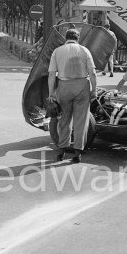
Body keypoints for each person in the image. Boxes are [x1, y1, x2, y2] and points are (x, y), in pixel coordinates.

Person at [48, 28, 97, 162]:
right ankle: (77, 154)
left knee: (64, 120)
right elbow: (92, 73)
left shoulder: (57, 51)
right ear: (78, 38)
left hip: (64, 87)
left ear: (66, 38)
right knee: (81, 120)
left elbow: (52, 74)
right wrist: (94, 90)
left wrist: (51, 93)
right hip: (82, 86)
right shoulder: (85, 50)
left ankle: (61, 151)